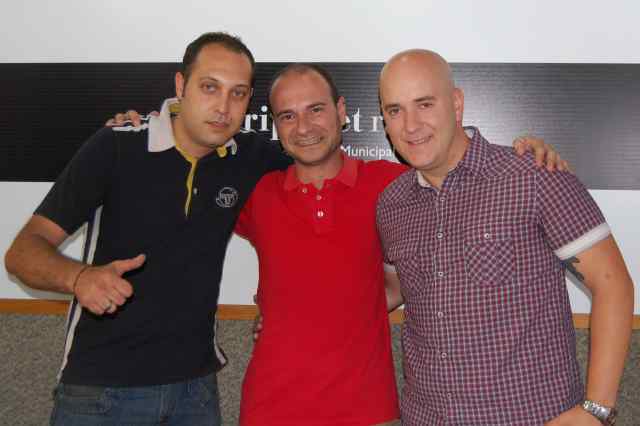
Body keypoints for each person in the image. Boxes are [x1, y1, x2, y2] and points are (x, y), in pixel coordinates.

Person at [111, 66, 566, 425]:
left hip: (370, 411)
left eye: (316, 109)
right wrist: (141, 131)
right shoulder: (257, 194)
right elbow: (180, 178)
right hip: (270, 411)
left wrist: (526, 151)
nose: (304, 127)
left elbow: (464, 178)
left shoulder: (395, 186)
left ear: (342, 110)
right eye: (287, 116)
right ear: (275, 126)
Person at [4, 32, 291, 425]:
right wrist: (79, 277)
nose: (223, 107)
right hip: (100, 393)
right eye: (210, 87)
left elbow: (321, 168)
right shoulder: (116, 147)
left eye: (237, 93)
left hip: (195, 392)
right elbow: (22, 253)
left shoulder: (249, 156)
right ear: (180, 86)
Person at [376, 49, 634, 426]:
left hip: (530, 418)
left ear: (456, 103)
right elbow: (394, 289)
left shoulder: (532, 176)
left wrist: (596, 409)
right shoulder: (392, 203)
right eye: (395, 110)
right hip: (426, 417)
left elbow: (612, 283)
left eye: (425, 104)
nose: (411, 125)